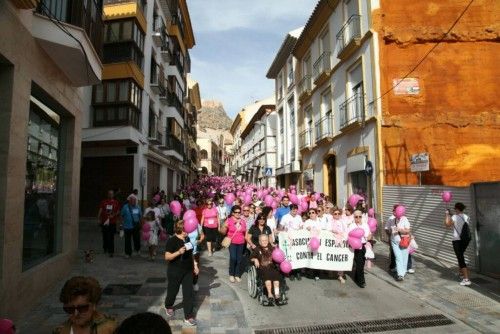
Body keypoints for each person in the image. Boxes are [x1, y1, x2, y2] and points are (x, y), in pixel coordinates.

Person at [164, 221, 199, 326]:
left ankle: (188, 317)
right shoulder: (172, 241)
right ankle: (169, 305)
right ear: (181, 230)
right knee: (172, 292)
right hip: (175, 271)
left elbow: (191, 253)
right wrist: (178, 252)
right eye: (186, 230)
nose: (188, 231)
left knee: (189, 293)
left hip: (188, 270)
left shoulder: (187, 239)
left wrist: (195, 265)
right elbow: (167, 257)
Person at [250, 234, 283, 306]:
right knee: (267, 277)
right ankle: (270, 294)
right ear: (259, 242)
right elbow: (250, 258)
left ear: (268, 240)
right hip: (262, 269)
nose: (264, 242)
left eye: (266, 240)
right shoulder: (257, 249)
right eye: (262, 240)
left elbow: (279, 256)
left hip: (272, 267)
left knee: (276, 279)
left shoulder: (272, 248)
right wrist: (255, 259)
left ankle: (277, 295)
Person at [445, 202, 472, 286]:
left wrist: (447, 215)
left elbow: (447, 224)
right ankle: (461, 273)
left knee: (460, 258)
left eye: (455, 208)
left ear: (457, 209)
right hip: (466, 239)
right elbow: (459, 221)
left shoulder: (454, 217)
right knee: (460, 255)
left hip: (457, 240)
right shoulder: (466, 217)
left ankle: (466, 279)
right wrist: (452, 215)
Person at [347, 210, 372, 288]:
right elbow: (348, 235)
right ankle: (360, 280)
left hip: (363, 246)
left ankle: (359, 279)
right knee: (358, 263)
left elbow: (369, 235)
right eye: (356, 217)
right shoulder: (351, 225)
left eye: (359, 216)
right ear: (353, 217)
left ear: (362, 217)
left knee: (361, 264)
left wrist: (368, 237)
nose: (358, 218)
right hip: (354, 247)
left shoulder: (365, 225)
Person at [279, 204, 303, 280]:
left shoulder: (299, 217)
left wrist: (301, 230)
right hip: (288, 240)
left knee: (297, 255)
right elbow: (280, 227)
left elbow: (301, 227)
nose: (295, 211)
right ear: (290, 209)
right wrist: (283, 230)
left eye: (296, 210)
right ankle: (291, 272)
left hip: (297, 240)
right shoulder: (285, 217)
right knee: (290, 256)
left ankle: (298, 272)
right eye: (293, 210)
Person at [387, 209, 411, 281]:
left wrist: (399, 230)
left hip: (404, 241)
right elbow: (388, 229)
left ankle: (403, 272)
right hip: (394, 242)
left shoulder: (405, 219)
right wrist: (390, 233)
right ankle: (400, 274)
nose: (394, 212)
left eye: (396, 211)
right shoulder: (391, 220)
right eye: (394, 211)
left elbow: (408, 230)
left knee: (404, 257)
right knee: (398, 257)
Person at [225, 205, 247, 283]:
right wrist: (224, 226)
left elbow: (245, 232)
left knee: (239, 259)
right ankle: (231, 274)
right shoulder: (229, 220)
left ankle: (237, 274)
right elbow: (222, 232)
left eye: (239, 212)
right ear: (233, 213)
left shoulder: (243, 221)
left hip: (241, 242)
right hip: (232, 242)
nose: (238, 213)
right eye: (236, 212)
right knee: (233, 258)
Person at [97, 190, 120, 257]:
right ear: (107, 195)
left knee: (111, 236)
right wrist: (98, 218)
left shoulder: (116, 202)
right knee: (105, 236)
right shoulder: (104, 202)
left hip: (112, 222)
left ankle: (111, 250)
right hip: (104, 222)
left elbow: (118, 211)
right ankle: (105, 248)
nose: (110, 195)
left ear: (113, 195)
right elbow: (100, 209)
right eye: (109, 194)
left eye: (111, 194)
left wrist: (114, 215)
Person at [330, 206, 347, 283]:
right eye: (335, 213)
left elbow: (346, 231)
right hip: (332, 243)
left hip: (341, 242)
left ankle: (340, 275)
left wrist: (342, 235)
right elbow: (327, 230)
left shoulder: (343, 221)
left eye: (338, 213)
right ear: (332, 214)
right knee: (332, 257)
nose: (337, 215)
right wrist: (333, 231)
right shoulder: (330, 221)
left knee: (340, 258)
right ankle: (331, 271)